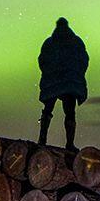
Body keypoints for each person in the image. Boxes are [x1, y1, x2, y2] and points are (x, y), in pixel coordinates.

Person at [37, 17, 89, 150]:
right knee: (69, 113)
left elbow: (42, 60)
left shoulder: (49, 43)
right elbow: (84, 60)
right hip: (69, 84)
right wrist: (76, 74)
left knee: (48, 110)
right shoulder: (76, 42)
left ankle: (42, 140)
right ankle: (69, 143)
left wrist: (50, 73)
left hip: (53, 83)